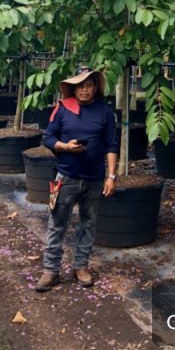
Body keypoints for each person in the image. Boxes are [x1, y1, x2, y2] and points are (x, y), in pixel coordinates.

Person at [35, 68, 118, 291]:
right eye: (80, 86)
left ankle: (81, 266)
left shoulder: (105, 112)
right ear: (74, 88)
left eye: (89, 85)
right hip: (66, 177)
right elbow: (48, 138)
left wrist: (111, 176)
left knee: (88, 224)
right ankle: (50, 270)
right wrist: (66, 147)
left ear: (95, 88)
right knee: (57, 224)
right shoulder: (63, 109)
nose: (84, 90)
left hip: (94, 179)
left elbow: (112, 145)